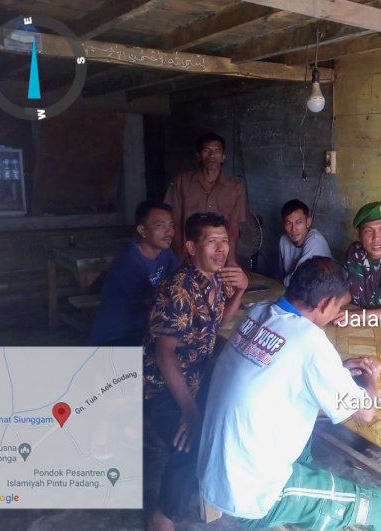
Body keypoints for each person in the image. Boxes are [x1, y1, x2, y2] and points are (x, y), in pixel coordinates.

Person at [197, 257, 381, 530]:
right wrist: (369, 377)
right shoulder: (310, 340)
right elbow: (365, 412)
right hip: (254, 493)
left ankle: (313, 499)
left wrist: (339, 371)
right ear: (326, 303)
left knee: (307, 438)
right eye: (339, 307)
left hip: (213, 473)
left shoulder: (258, 312)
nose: (336, 314)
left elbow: (282, 368)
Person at [143, 212, 248, 531]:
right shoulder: (177, 290)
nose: (221, 249)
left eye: (225, 241)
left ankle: (224, 486)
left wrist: (240, 290)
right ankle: (164, 516)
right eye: (212, 241)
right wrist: (190, 410)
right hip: (163, 386)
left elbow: (218, 322)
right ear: (191, 247)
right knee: (192, 444)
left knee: (239, 415)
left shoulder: (216, 278)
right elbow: (164, 356)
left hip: (200, 377)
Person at [89, 200, 180, 346]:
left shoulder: (166, 254)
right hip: (117, 337)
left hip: (143, 328)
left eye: (170, 225)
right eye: (160, 226)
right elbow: (152, 303)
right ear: (142, 231)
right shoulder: (129, 261)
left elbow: (180, 281)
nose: (169, 232)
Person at [164, 132, 246, 263]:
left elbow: (233, 227)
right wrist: (178, 258)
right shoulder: (182, 182)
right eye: (207, 150)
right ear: (198, 156)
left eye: (217, 151)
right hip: (188, 256)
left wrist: (231, 260)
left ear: (223, 157)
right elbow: (175, 223)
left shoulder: (235, 187)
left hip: (219, 257)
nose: (212, 155)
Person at [278, 199, 332, 287]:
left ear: (308, 222)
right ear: (283, 224)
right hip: (297, 289)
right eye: (288, 223)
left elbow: (299, 278)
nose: (293, 229)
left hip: (321, 290)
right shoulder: (283, 240)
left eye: (298, 222)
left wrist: (285, 281)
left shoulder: (315, 241)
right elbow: (282, 274)